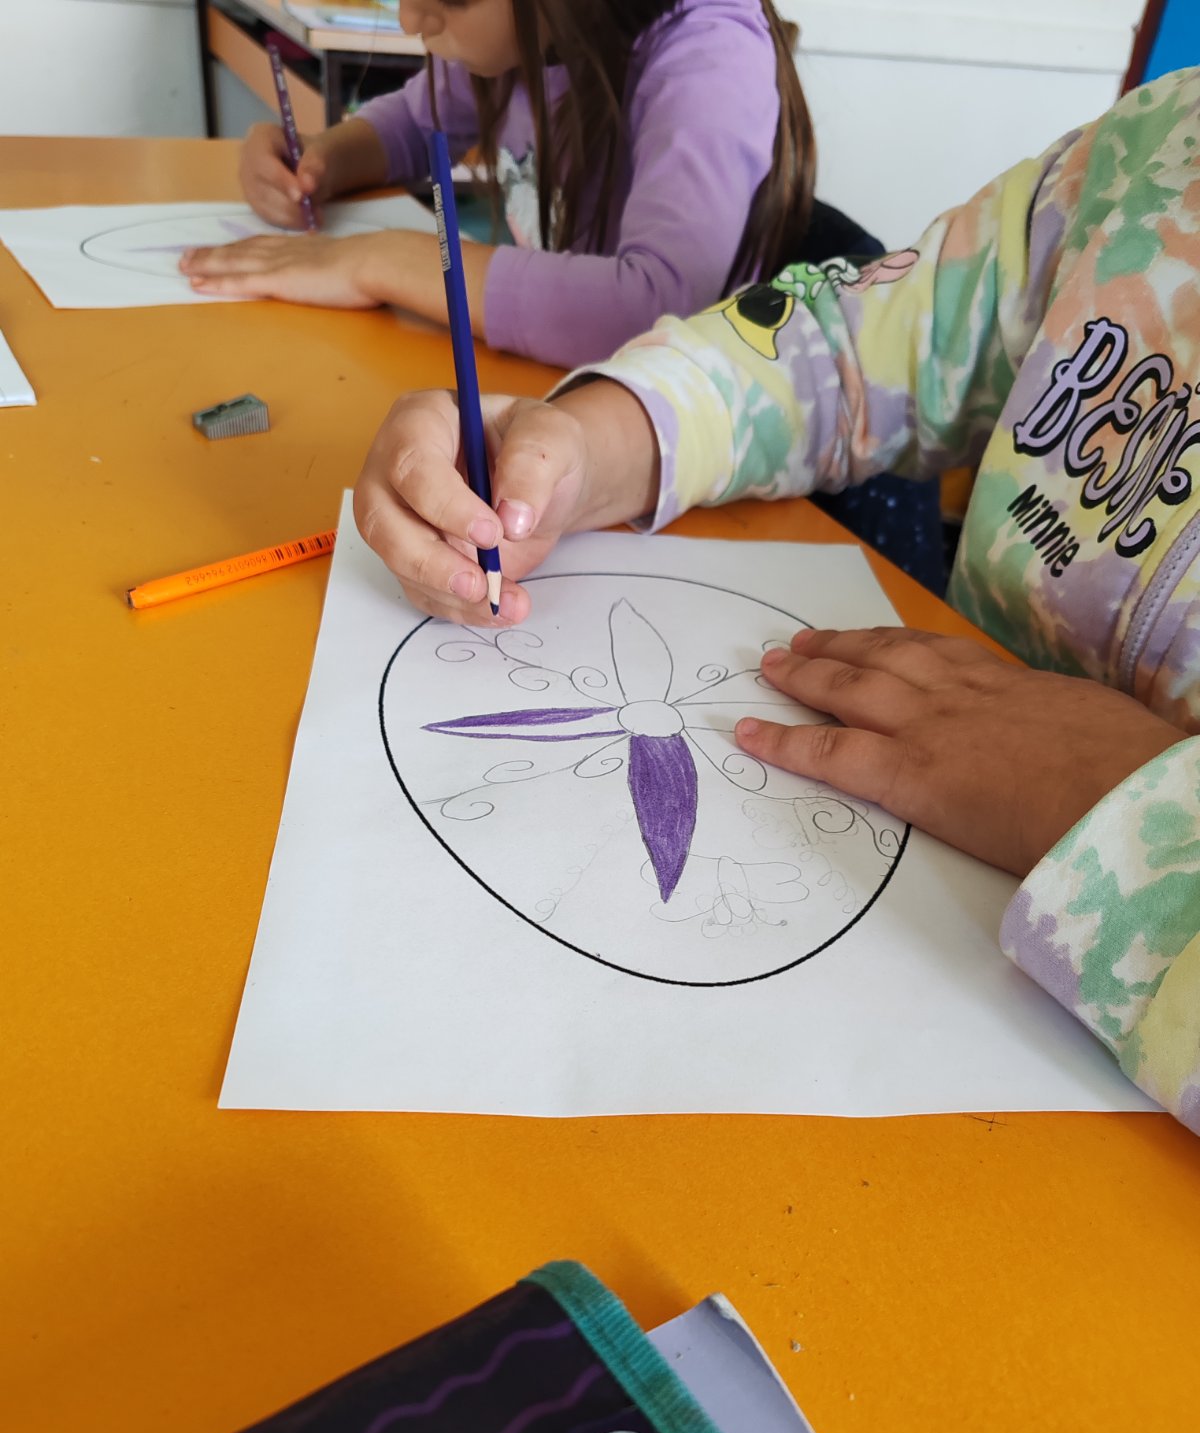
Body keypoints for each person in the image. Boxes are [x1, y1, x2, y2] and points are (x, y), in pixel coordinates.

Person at [351, 68, 1200, 1132]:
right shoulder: (1158, 144)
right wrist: (594, 443)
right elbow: (847, 352)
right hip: (923, 889)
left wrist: (1129, 804)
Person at [180, 0, 816, 371]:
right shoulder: (536, 32)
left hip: (677, 443)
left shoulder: (709, 57)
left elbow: (655, 308)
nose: (410, 19)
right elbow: (412, 123)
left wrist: (381, 261)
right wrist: (321, 161)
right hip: (548, 390)